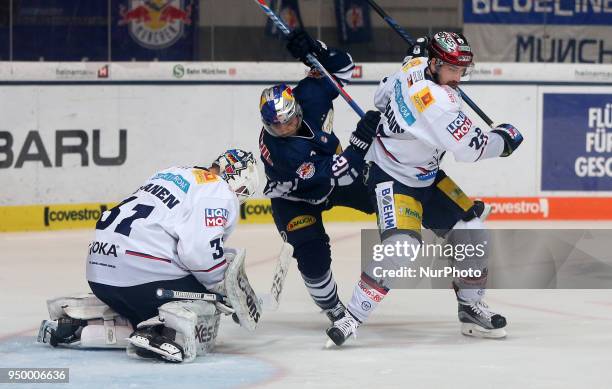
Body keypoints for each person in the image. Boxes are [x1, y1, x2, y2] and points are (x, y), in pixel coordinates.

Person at [326, 32, 524, 346]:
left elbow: (380, 97)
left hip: (426, 176)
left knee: (472, 230)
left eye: (461, 69)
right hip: (392, 178)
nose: (459, 76)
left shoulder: (412, 66)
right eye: (453, 70)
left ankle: (470, 307)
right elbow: (471, 149)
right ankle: (351, 316)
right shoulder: (437, 104)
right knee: (401, 248)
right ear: (434, 63)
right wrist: (504, 141)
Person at [38, 149, 261, 363]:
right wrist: (222, 289)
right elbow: (199, 253)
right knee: (208, 299)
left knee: (144, 295)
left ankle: (85, 325)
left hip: (99, 273)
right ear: (239, 182)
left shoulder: (172, 173)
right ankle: (163, 332)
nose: (239, 199)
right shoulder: (219, 190)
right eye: (243, 193)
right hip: (142, 277)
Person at [258, 29, 380, 322]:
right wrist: (360, 143)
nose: (284, 129)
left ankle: (441, 219)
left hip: (333, 178)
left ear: (297, 107)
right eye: (277, 127)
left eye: (288, 122)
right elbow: (336, 170)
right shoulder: (284, 153)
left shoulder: (309, 95)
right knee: (313, 258)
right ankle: (333, 308)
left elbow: (344, 65)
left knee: (388, 192)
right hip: (295, 198)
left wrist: (317, 50)